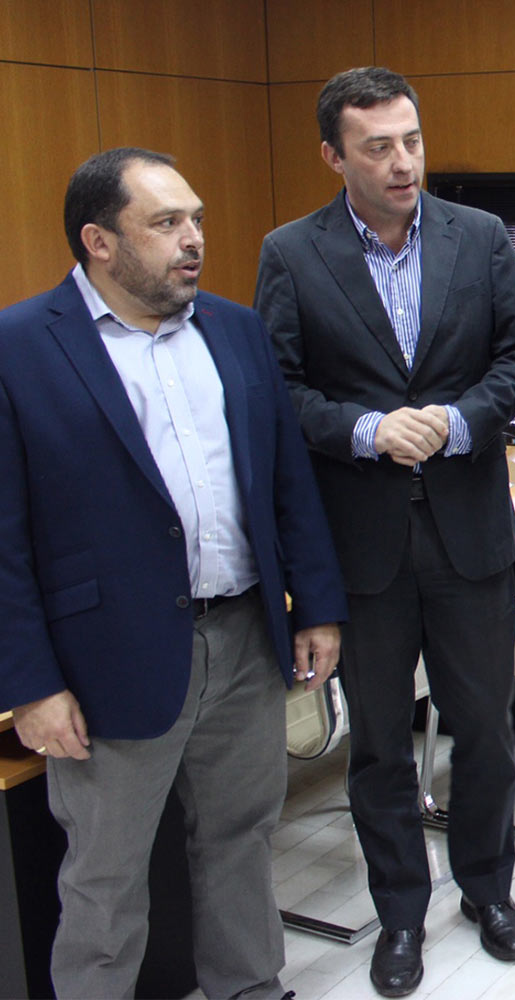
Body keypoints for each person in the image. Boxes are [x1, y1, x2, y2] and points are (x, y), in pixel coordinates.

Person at [0, 148, 348, 998]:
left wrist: (318, 609)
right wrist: (31, 683)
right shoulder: (19, 347)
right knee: (106, 875)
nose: (193, 239)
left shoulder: (234, 330)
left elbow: (285, 485)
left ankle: (250, 988)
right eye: (166, 224)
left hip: (243, 634)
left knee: (240, 838)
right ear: (99, 241)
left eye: (194, 219)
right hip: (106, 656)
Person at [253, 66, 515, 996]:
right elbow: (278, 394)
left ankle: (488, 891)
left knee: (485, 733)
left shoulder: (482, 238)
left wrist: (456, 422)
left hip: (470, 535)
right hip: (362, 548)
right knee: (376, 745)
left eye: (411, 139)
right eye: (378, 146)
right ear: (335, 155)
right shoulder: (292, 254)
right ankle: (402, 915)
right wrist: (367, 431)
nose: (403, 160)